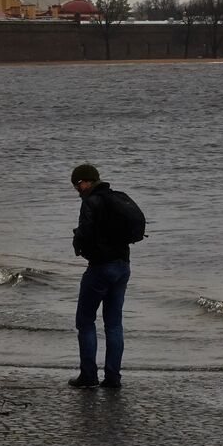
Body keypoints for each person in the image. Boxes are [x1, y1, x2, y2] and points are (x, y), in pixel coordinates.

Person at [69, 163, 134, 389]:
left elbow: (85, 235)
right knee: (114, 324)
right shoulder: (116, 199)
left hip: (100, 269)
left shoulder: (91, 202)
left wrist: (77, 241)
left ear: (86, 182)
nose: (78, 190)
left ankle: (88, 376)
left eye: (77, 185)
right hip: (123, 267)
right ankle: (113, 378)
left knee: (85, 321)